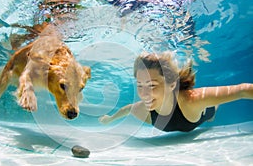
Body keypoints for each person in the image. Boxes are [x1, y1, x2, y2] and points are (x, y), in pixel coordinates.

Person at [99, 52, 253, 132]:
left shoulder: (192, 100)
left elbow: (244, 90)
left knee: (211, 114)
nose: (144, 94)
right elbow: (127, 109)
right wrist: (109, 119)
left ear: (172, 84)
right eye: (140, 85)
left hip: (203, 112)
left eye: (152, 86)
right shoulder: (143, 110)